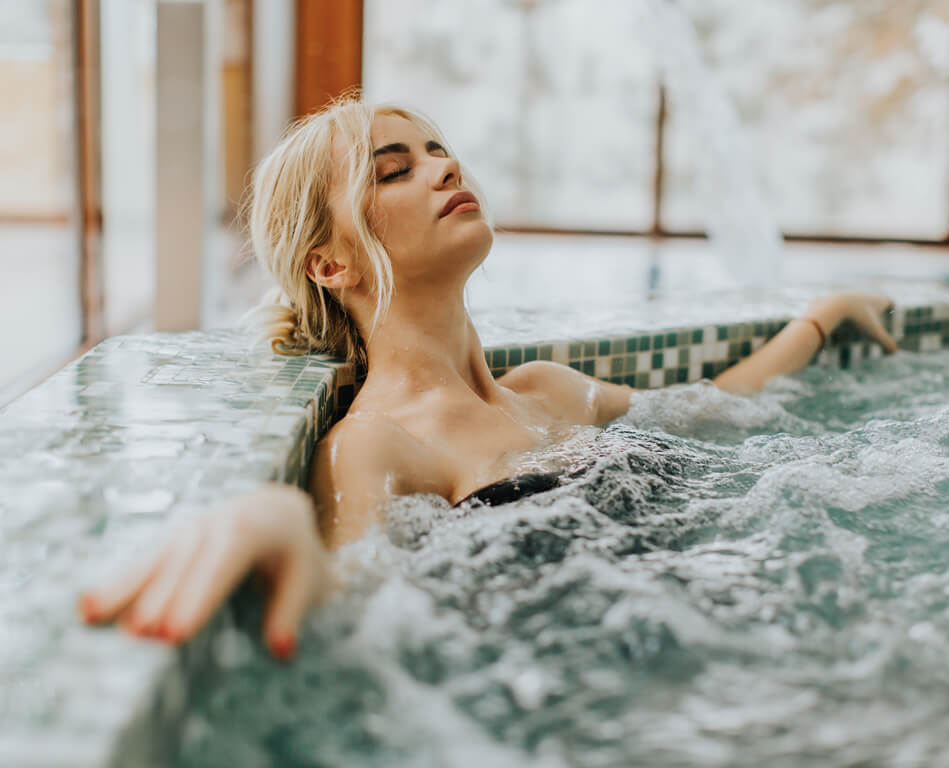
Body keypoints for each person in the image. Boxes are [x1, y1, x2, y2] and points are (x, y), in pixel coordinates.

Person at [77, 95, 899, 661]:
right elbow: (358, 605)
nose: (442, 168)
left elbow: (719, 403)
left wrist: (821, 315)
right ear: (330, 263)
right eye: (393, 170)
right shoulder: (375, 447)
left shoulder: (552, 390)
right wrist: (273, 516)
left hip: (753, 630)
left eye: (439, 152)